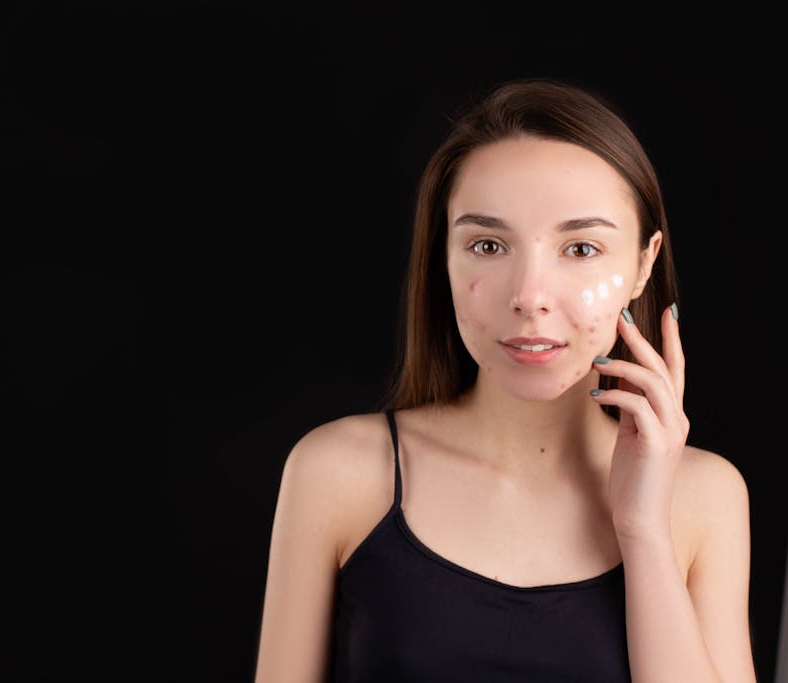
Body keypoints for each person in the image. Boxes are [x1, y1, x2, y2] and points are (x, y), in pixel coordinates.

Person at [253, 77, 756, 682]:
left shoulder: (704, 496)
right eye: (489, 245)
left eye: (581, 249)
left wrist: (644, 530)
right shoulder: (338, 472)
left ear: (643, 265)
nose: (529, 297)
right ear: (443, 255)